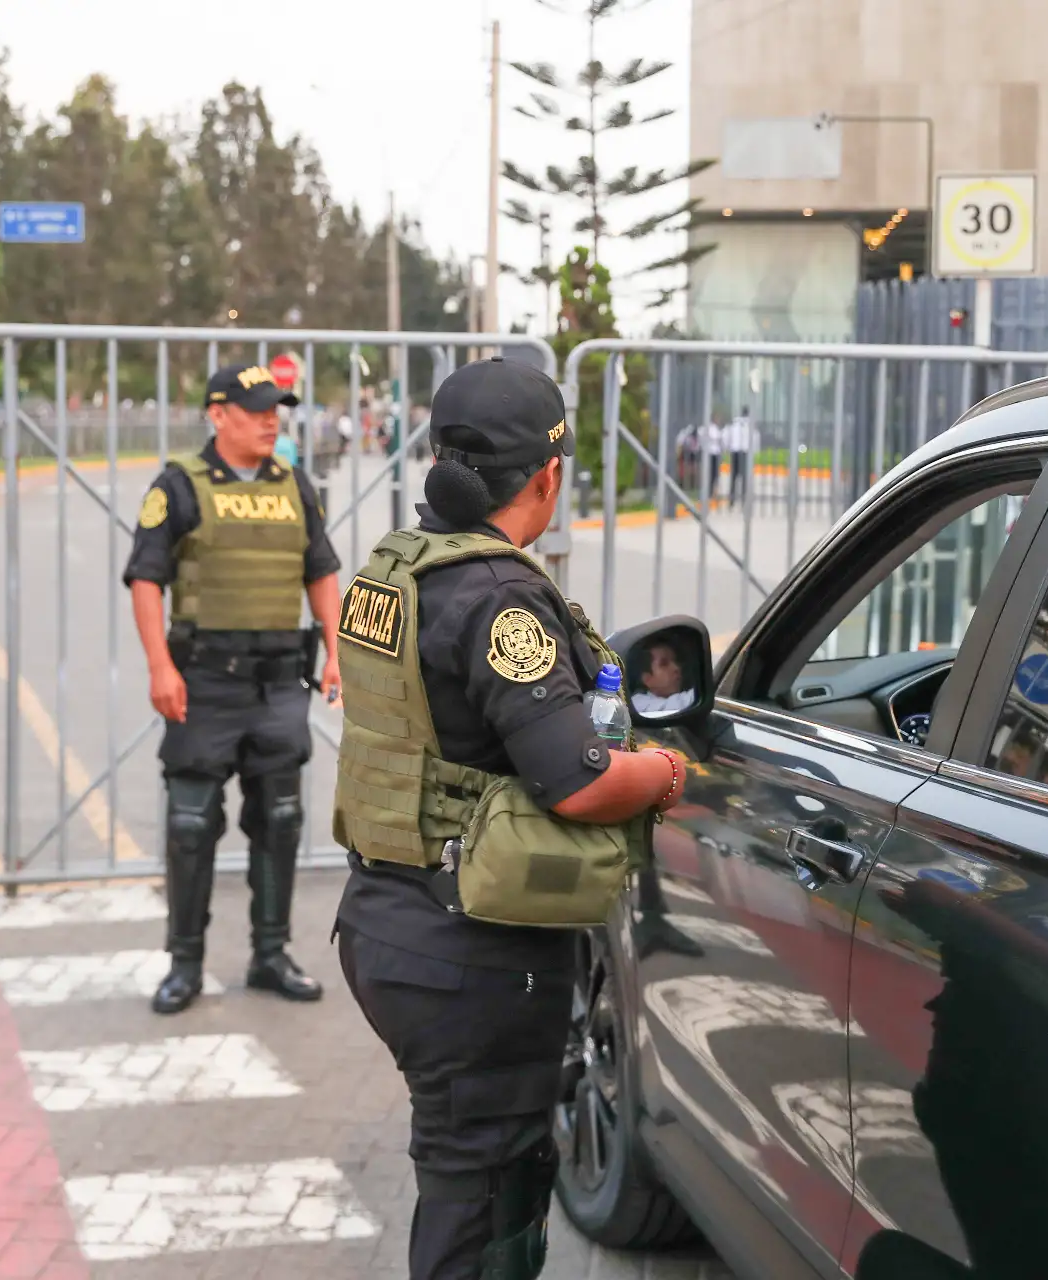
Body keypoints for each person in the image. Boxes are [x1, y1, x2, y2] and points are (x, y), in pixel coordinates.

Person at [332, 356, 688, 1280]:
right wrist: (664, 773)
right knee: (488, 1191)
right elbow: (579, 783)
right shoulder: (498, 595)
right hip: (469, 952)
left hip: (387, 915)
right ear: (548, 476)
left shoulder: (396, 567)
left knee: (471, 1167)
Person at [123, 362, 345, 1016]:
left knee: (281, 820)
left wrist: (336, 650)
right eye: (257, 411)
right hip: (204, 683)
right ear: (218, 415)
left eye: (276, 409)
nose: (271, 421)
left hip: (277, 683)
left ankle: (271, 955)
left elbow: (321, 571)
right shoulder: (179, 485)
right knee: (190, 824)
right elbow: (146, 579)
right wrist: (159, 667)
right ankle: (185, 963)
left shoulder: (294, 484)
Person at [631, 638, 697, 716]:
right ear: (647, 679)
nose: (676, 668)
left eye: (675, 661)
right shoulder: (637, 703)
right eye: (664, 664)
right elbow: (677, 705)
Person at [724, 406, 755, 506]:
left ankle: (732, 499)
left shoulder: (734, 422)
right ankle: (743, 499)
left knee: (733, 477)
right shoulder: (750, 424)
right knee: (744, 477)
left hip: (735, 451)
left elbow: (726, 436)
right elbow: (754, 438)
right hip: (745, 452)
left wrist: (727, 447)